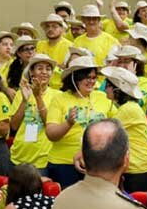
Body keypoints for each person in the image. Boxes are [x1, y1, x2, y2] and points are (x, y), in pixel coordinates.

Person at [46, 55, 112, 189]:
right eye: (87, 77)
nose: (91, 81)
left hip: (95, 163)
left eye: (94, 77)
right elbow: (51, 134)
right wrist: (68, 123)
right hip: (64, 163)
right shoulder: (59, 99)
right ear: (75, 78)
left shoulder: (102, 97)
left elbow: (115, 126)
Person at [102, 67, 147, 193]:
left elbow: (104, 132)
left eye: (108, 85)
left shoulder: (128, 109)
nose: (105, 89)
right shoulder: (127, 108)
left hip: (138, 170)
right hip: (138, 167)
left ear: (117, 89)